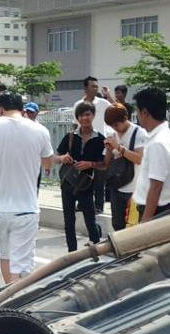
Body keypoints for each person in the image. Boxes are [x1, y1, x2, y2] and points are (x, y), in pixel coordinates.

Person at [0, 91, 54, 283]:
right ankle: (17, 303)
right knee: (21, 265)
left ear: (0, 108)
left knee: (6, 257)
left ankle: (8, 296)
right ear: (24, 109)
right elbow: (47, 164)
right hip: (25, 208)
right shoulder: (40, 130)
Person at [54, 102, 106, 252]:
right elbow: (54, 158)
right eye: (82, 115)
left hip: (86, 185)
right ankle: (72, 254)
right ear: (77, 118)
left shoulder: (99, 139)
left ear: (93, 116)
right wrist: (63, 158)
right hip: (68, 184)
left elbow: (104, 164)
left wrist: (90, 164)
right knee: (69, 221)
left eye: (88, 114)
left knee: (90, 220)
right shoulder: (70, 137)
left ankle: (96, 249)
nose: (85, 118)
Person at [133, 88, 170, 222]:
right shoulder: (161, 135)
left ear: (145, 112)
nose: (136, 116)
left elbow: (156, 185)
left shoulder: (158, 142)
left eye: (137, 111)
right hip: (156, 210)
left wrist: (146, 220)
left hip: (155, 212)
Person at [74, 76, 113, 214]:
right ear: (85, 88)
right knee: (82, 175)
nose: (96, 88)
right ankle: (82, 203)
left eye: (97, 86)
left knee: (99, 177)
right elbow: (75, 123)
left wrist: (109, 96)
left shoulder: (102, 103)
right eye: (93, 86)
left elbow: (117, 109)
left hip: (99, 143)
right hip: (83, 143)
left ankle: (98, 206)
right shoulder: (78, 104)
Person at [103, 104, 144, 231]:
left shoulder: (138, 133)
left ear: (125, 118)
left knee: (136, 227)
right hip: (117, 186)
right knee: (117, 224)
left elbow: (139, 159)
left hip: (135, 188)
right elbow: (106, 163)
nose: (115, 128)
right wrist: (109, 149)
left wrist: (119, 147)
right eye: (111, 126)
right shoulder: (113, 134)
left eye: (116, 125)